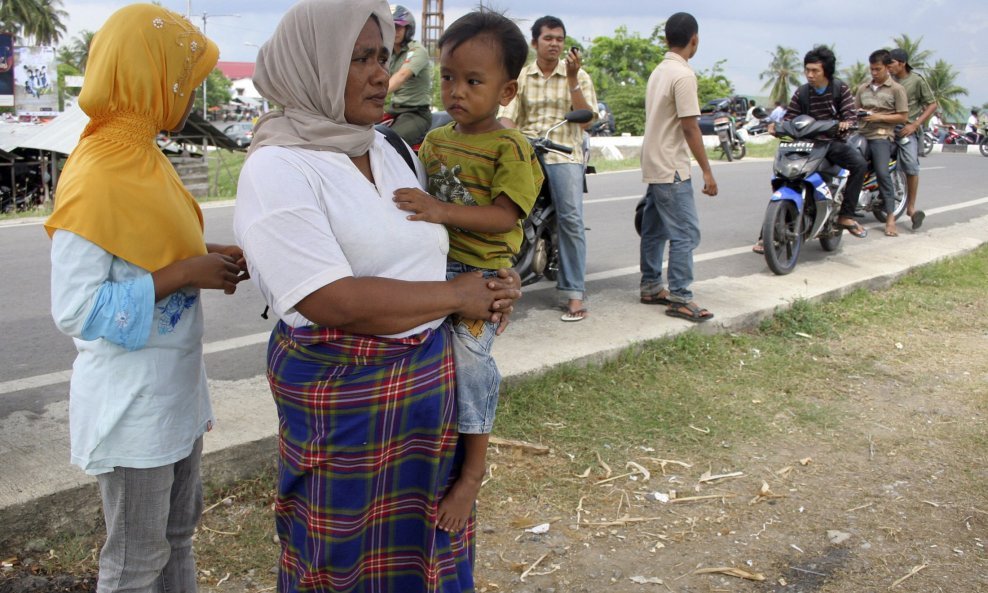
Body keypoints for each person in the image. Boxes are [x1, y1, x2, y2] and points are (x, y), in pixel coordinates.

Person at [232, 1, 522, 590]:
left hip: (424, 399)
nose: (376, 73)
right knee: (338, 556)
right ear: (310, 64)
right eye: (357, 58)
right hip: (344, 405)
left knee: (426, 551)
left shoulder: (391, 149)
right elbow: (330, 299)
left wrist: (491, 287)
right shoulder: (279, 167)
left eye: (382, 58)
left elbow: (439, 245)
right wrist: (453, 296)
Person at [45, 5, 247, 591]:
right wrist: (186, 271)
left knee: (177, 539)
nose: (189, 89)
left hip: (173, 393)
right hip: (132, 408)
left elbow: (146, 247)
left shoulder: (145, 158)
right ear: (149, 74)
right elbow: (77, 309)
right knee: (134, 562)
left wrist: (208, 255)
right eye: (184, 75)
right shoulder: (98, 172)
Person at [391, 8, 541, 534]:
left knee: (470, 365)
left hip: (482, 274)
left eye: (473, 81)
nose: (456, 91)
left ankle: (473, 470)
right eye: (449, 77)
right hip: (436, 267)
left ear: (506, 91)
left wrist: (440, 211)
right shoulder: (433, 140)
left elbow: (504, 215)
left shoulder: (512, 147)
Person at [500, 15, 598, 322]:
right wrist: (509, 139)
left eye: (559, 38)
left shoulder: (578, 75)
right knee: (500, 205)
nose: (554, 43)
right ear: (534, 43)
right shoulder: (522, 75)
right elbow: (507, 115)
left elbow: (586, 120)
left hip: (562, 152)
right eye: (548, 38)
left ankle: (573, 293)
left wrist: (572, 79)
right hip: (527, 148)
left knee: (571, 216)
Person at [638, 12, 716, 323]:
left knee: (655, 229)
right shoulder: (683, 75)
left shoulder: (659, 71)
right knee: (685, 232)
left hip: (654, 160)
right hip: (671, 166)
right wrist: (707, 171)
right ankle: (681, 297)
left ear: (667, 39)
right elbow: (690, 127)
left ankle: (651, 285)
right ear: (694, 40)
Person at [754, 46, 870, 254]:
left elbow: (850, 116)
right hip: (804, 144)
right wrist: (776, 127)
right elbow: (790, 118)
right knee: (787, 178)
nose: (810, 75)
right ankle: (767, 236)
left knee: (860, 164)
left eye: (815, 71)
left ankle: (846, 215)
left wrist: (845, 124)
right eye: (807, 70)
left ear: (826, 71)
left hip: (831, 144)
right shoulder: (803, 92)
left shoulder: (839, 89)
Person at [855, 49, 908, 237]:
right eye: (872, 69)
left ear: (887, 68)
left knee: (882, 172)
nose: (874, 73)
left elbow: (902, 116)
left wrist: (877, 116)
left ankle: (891, 218)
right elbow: (854, 112)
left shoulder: (896, 89)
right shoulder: (863, 88)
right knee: (847, 164)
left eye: (878, 69)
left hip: (882, 135)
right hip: (861, 134)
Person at [888, 48, 937, 230]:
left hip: (906, 129)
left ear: (901, 63)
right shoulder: (886, 80)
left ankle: (910, 208)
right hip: (885, 127)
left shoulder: (916, 80)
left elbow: (932, 104)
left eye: (891, 63)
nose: (888, 67)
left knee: (910, 165)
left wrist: (914, 125)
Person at [385, 4, 433, 145]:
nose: (394, 31)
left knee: (389, 143)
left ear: (407, 28)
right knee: (364, 133)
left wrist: (376, 92)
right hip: (394, 110)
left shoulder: (417, 51)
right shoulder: (388, 54)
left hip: (416, 113)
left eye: (398, 27)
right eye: (390, 27)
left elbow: (401, 76)